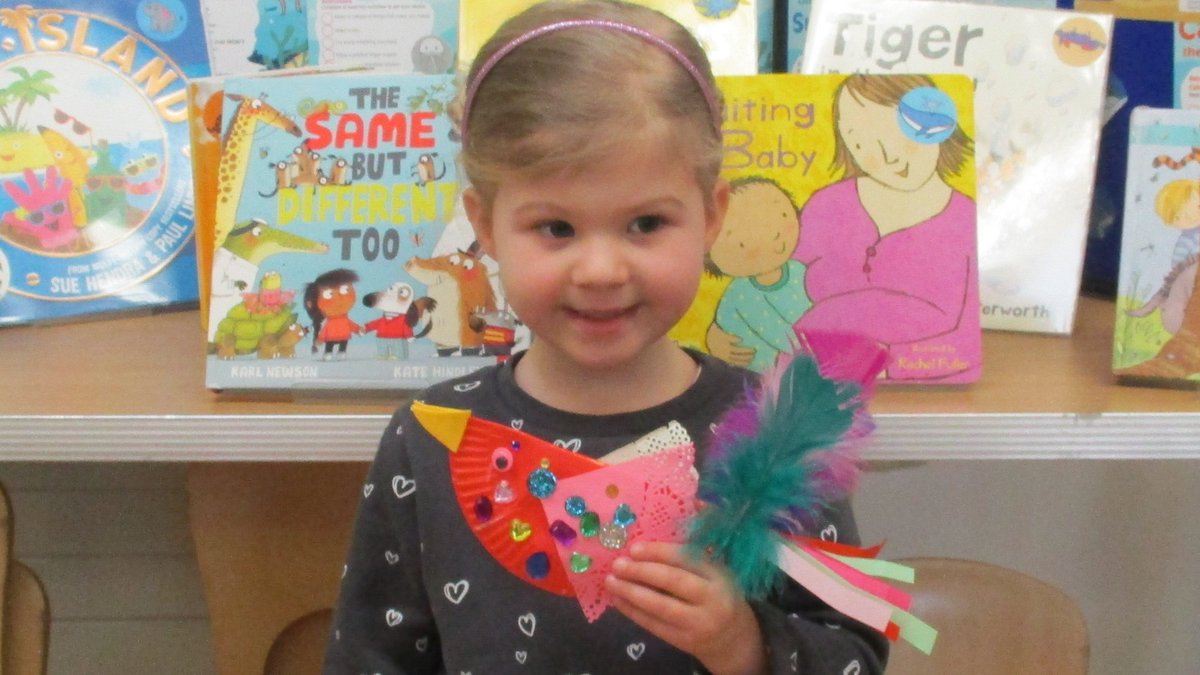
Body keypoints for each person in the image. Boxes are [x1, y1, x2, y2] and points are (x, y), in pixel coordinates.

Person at [323, 2, 888, 673]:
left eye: (646, 223)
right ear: (484, 223)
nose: (600, 271)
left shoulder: (779, 436)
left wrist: (743, 641)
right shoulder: (426, 439)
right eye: (556, 229)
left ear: (712, 216)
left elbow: (857, 654)